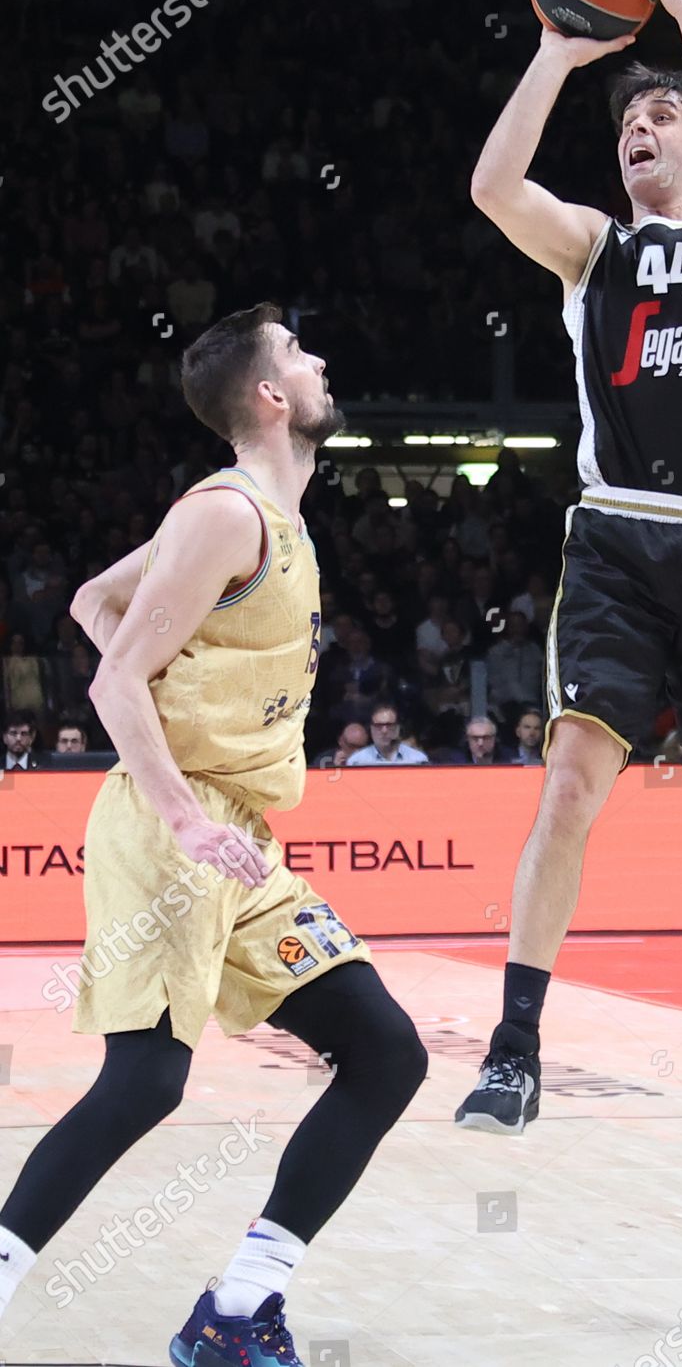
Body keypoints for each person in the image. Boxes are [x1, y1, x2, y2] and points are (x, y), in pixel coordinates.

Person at [0, 304, 427, 1363]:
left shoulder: (269, 520)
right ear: (273, 397)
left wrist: (174, 691)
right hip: (171, 830)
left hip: (239, 843)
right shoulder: (225, 514)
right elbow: (110, 674)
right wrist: (182, 808)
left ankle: (236, 1310)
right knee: (145, 1081)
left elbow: (98, 603)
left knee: (385, 1052)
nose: (322, 361)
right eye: (300, 354)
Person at [455, 0, 682, 1143]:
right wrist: (560, 46)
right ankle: (516, 1043)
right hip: (615, 539)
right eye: (631, 125)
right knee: (571, 784)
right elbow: (492, 185)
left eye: (663, 121)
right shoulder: (593, 253)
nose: (642, 133)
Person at [347, 703, 428, 765]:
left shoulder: (418, 760)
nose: (384, 731)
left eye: (389, 725)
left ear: (397, 728)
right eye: (378, 726)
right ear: (371, 729)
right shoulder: (356, 762)